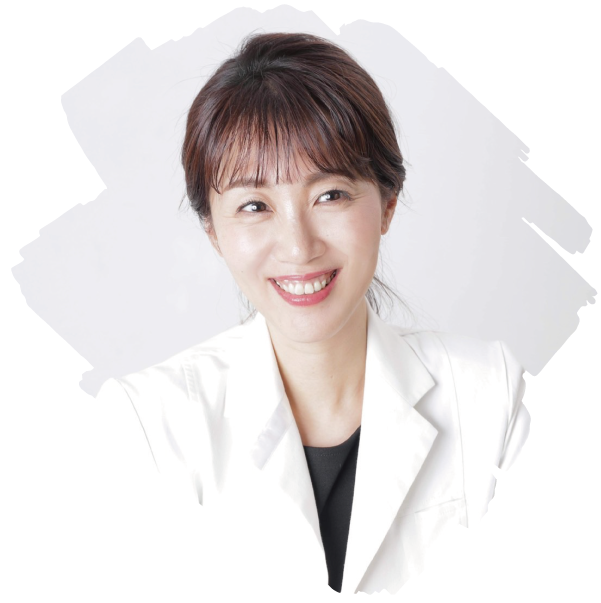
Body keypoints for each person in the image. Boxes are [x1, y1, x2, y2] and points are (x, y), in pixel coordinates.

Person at [95, 32, 530, 594]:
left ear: (387, 202)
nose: (298, 247)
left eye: (330, 195)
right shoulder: (149, 426)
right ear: (213, 231)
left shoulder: (486, 396)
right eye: (255, 205)